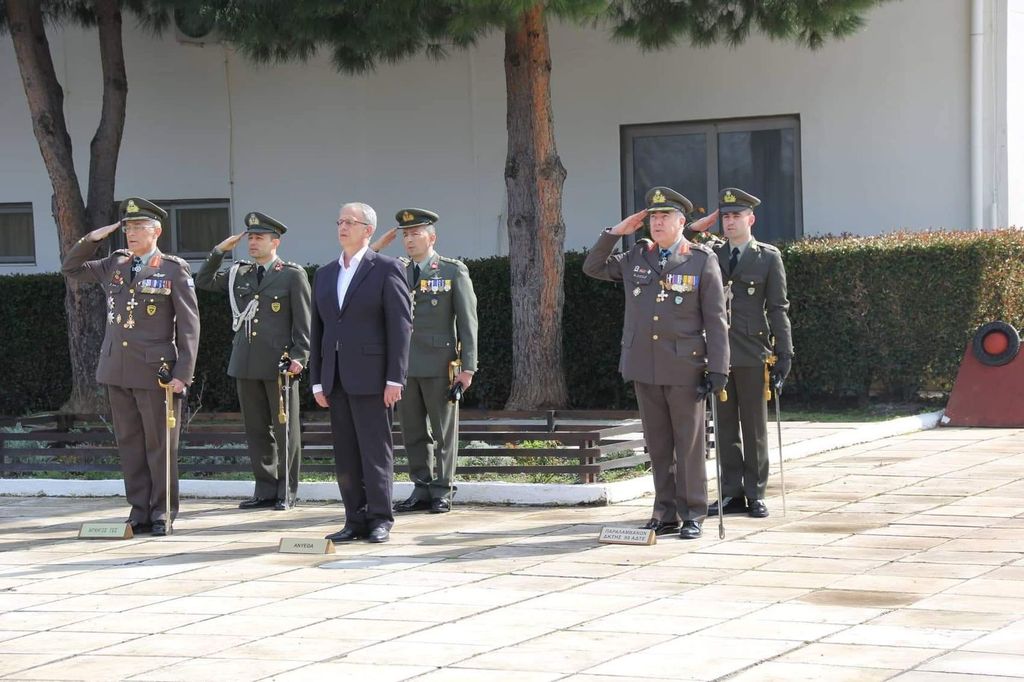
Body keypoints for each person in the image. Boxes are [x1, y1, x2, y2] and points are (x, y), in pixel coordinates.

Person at [583, 186, 729, 539]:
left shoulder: (700, 258)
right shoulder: (635, 257)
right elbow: (592, 267)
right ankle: (664, 511)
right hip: (644, 365)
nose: (657, 222)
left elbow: (716, 318)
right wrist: (615, 233)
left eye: (665, 217)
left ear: (682, 223)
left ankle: (693, 511)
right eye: (653, 217)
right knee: (659, 444)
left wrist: (719, 368)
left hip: (684, 366)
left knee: (689, 444)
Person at [61, 197, 200, 536]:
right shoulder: (116, 263)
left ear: (157, 232)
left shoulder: (171, 268)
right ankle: (138, 510)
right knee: (130, 443)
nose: (131, 233)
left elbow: (189, 324)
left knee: (159, 444)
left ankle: (162, 512)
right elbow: (72, 268)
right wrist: (93, 238)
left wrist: (183, 373)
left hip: (156, 372)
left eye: (139, 228)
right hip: (116, 368)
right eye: (128, 227)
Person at [310, 202, 412, 544]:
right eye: (339, 221)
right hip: (335, 377)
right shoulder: (325, 274)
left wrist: (395, 378)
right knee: (346, 453)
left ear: (368, 230)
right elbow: (319, 330)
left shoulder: (385, 268)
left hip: (373, 376)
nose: (342, 228)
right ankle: (353, 517)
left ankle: (380, 517)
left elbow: (400, 326)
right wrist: (317, 379)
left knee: (375, 450)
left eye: (350, 222)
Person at [194, 211, 311, 511]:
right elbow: (203, 281)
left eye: (260, 238)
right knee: (256, 429)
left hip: (280, 364)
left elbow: (303, 322)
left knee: (286, 429)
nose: (253, 243)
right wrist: (219, 252)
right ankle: (265, 489)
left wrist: (300, 356)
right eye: (251, 238)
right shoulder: (239, 273)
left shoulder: (291, 274)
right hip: (246, 362)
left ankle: (287, 491)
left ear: (276, 242)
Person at [371, 208, 478, 514]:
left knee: (444, 432)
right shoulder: (396, 270)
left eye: (415, 233)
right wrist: (378, 245)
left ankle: (443, 488)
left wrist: (468, 367)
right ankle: (421, 486)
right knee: (413, 430)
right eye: (405, 234)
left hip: (438, 363)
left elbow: (468, 322)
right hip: (403, 366)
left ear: (432, 237)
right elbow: (363, 268)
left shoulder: (450, 270)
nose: (409, 239)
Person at [699, 188, 793, 519]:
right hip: (720, 353)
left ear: (751, 219)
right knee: (724, 427)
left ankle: (756, 493)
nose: (729, 222)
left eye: (736, 216)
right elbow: (680, 240)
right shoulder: (710, 255)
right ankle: (730, 493)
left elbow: (778, 308)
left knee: (753, 427)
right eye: (725, 216)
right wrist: (703, 224)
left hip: (753, 352)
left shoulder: (768, 257)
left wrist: (785, 353)